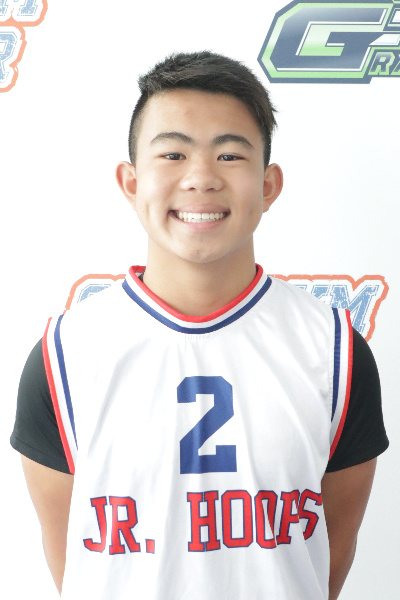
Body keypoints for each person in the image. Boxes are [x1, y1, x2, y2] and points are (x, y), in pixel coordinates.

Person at [11, 51, 388, 600]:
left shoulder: (335, 353)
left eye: (230, 154)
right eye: (173, 153)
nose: (201, 178)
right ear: (130, 182)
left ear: (269, 185)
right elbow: (72, 560)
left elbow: (329, 556)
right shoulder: (63, 355)